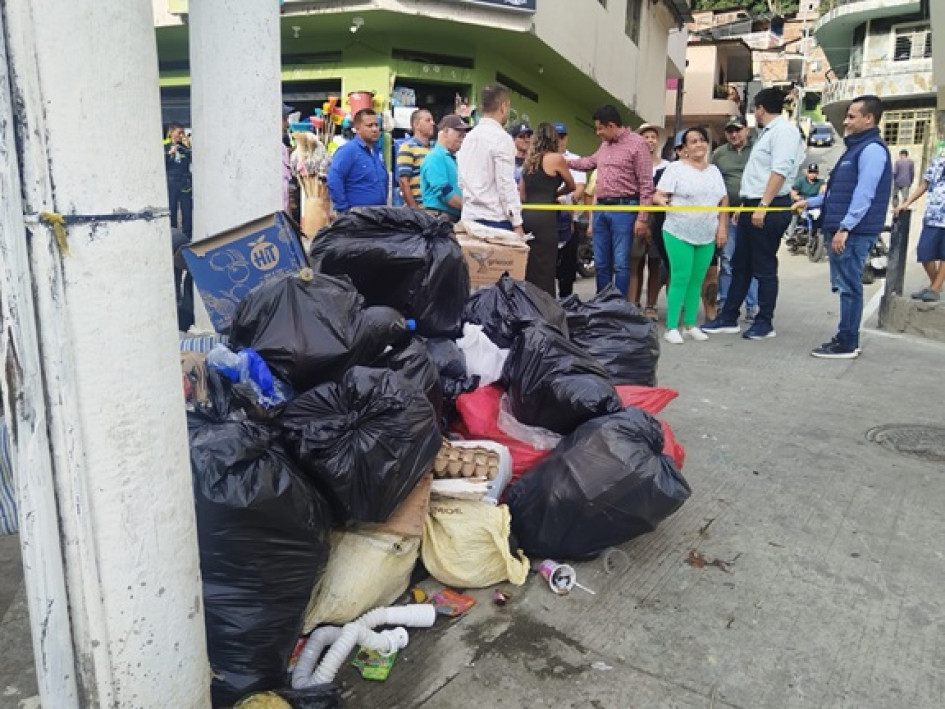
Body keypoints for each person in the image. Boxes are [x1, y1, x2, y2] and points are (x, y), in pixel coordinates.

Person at [793, 95, 893, 359]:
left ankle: (848, 342)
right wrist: (810, 201)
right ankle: (845, 336)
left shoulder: (871, 150)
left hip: (854, 232)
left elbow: (864, 194)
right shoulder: (855, 149)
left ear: (869, 118)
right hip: (844, 228)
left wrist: (845, 227)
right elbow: (838, 192)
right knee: (846, 286)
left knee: (850, 287)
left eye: (851, 116)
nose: (846, 122)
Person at [702, 88, 803, 339]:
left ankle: (764, 321)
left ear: (760, 109)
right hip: (750, 205)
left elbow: (779, 171)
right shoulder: (767, 134)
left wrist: (763, 205)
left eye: (755, 109)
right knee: (740, 264)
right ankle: (729, 317)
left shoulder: (784, 131)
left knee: (764, 266)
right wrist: (745, 207)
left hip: (768, 206)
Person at [567, 105, 653, 297]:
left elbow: (647, 184)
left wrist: (642, 217)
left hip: (624, 209)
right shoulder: (605, 145)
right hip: (601, 209)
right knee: (602, 262)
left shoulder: (637, 144)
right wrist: (564, 161)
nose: (598, 133)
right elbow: (589, 163)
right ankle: (602, 305)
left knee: (621, 263)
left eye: (600, 128)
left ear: (612, 125)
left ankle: (618, 307)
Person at [653, 127, 728, 345]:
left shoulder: (714, 171)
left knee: (697, 280)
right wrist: (661, 202)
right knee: (680, 277)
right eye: (693, 141)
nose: (698, 145)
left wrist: (722, 227)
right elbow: (658, 194)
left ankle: (689, 325)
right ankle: (671, 327)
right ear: (684, 148)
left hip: (706, 233)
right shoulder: (675, 169)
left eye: (702, 140)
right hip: (678, 230)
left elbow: (723, 201)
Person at [457, 83, 524, 234]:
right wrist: (517, 223)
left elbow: (461, 182)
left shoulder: (468, 139)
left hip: (469, 219)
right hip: (495, 221)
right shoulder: (502, 138)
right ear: (503, 106)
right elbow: (505, 184)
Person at [519, 122, 576, 297]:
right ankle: (545, 307)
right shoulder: (556, 159)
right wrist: (556, 193)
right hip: (546, 217)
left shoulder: (529, 161)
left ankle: (528, 304)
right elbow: (572, 185)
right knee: (546, 265)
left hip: (527, 214)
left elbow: (522, 194)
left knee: (530, 265)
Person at [711, 115, 757, 320]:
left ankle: (752, 305)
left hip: (753, 213)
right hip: (726, 215)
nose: (734, 134)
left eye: (737, 129)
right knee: (728, 260)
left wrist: (746, 205)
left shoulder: (758, 151)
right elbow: (712, 182)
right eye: (729, 131)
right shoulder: (719, 154)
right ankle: (725, 303)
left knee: (753, 260)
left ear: (747, 130)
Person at [893, 152, 945, 302]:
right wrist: (906, 202)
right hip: (933, 215)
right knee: (924, 251)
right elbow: (925, 184)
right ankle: (936, 285)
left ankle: (935, 287)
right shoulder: (939, 158)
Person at [630, 123, 669, 320]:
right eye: (646, 136)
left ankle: (651, 305)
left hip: (659, 220)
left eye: (653, 137)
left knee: (655, 263)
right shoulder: (632, 164)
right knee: (634, 263)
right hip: (637, 219)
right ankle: (633, 304)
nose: (650, 140)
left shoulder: (667, 167)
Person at [326, 108, 388, 213]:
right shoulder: (348, 151)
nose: (375, 129)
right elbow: (334, 180)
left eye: (376, 125)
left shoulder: (377, 151)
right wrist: (343, 210)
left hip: (379, 215)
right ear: (357, 128)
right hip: (357, 217)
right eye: (369, 126)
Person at [553, 121, 586, 298]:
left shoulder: (575, 159)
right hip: (548, 219)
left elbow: (579, 187)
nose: (560, 140)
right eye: (556, 137)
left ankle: (567, 302)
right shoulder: (541, 158)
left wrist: (569, 200)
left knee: (567, 267)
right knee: (547, 267)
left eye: (563, 136)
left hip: (569, 218)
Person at [420, 114, 470, 222]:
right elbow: (444, 192)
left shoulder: (452, 158)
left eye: (463, 136)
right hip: (439, 218)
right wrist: (470, 209)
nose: (462, 140)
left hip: (452, 217)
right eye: (459, 135)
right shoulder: (435, 157)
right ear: (446, 132)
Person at [396, 109, 435, 208]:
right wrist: (414, 209)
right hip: (419, 208)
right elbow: (404, 182)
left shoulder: (433, 150)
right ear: (416, 125)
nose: (432, 123)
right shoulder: (408, 147)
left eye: (432, 120)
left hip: (432, 207)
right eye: (428, 120)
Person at [164, 122, 193, 240]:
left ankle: (187, 237)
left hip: (185, 181)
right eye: (179, 133)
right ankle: (173, 236)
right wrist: (169, 152)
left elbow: (193, 159)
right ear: (171, 132)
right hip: (172, 181)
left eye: (183, 133)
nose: (181, 136)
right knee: (172, 209)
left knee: (187, 211)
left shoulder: (184, 147)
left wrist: (188, 147)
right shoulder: (165, 145)